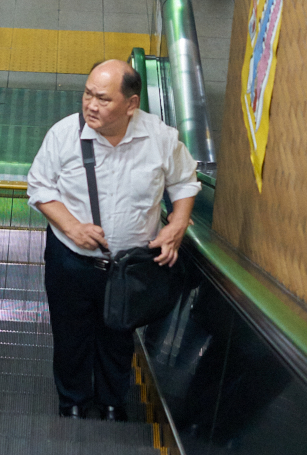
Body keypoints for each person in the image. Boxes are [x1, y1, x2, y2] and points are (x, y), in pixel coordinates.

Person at [26, 60, 200, 421]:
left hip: (130, 266)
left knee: (118, 335)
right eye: (88, 94)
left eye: (103, 99)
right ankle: (72, 399)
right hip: (70, 259)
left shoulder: (160, 138)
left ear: (131, 104)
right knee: (71, 334)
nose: (91, 104)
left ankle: (111, 401)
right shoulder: (64, 135)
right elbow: (40, 187)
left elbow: (184, 181)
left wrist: (178, 222)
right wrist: (73, 227)